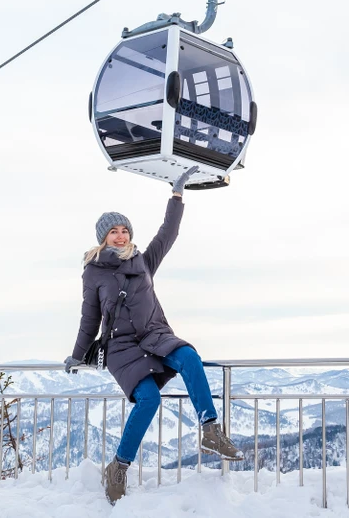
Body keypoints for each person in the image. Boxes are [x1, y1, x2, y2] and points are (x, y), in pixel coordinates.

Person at [64, 166, 242, 504]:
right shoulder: (94, 273)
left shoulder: (144, 261)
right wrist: (77, 353)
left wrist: (176, 196)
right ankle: (118, 467)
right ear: (103, 237)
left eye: (124, 230)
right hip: (121, 347)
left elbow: (169, 232)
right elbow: (90, 318)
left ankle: (210, 430)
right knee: (149, 399)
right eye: (113, 231)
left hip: (155, 334)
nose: (120, 236)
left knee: (189, 356)